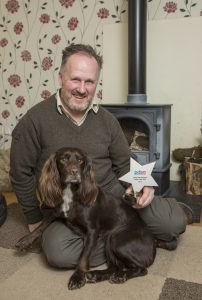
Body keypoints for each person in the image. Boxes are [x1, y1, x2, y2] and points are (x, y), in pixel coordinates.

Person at [10, 44, 193, 269]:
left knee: (173, 223)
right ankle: (132, 243)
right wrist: (33, 217)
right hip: (68, 208)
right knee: (60, 255)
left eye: (90, 82)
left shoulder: (107, 120)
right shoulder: (34, 120)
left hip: (114, 200)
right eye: (75, 79)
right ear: (60, 78)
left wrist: (142, 183)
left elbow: (124, 163)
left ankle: (153, 220)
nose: (82, 88)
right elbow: (21, 172)